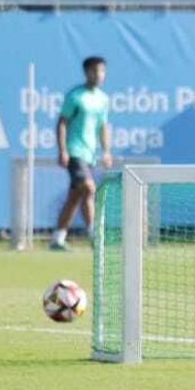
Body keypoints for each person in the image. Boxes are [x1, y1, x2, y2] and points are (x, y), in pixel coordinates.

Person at [50, 56, 112, 251]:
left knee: (75, 197)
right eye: (94, 71)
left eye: (102, 71)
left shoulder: (103, 99)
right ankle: (95, 236)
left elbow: (102, 127)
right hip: (75, 151)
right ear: (86, 72)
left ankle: (58, 239)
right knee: (89, 188)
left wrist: (106, 151)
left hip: (89, 153)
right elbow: (62, 122)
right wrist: (62, 150)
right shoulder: (75, 96)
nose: (98, 75)